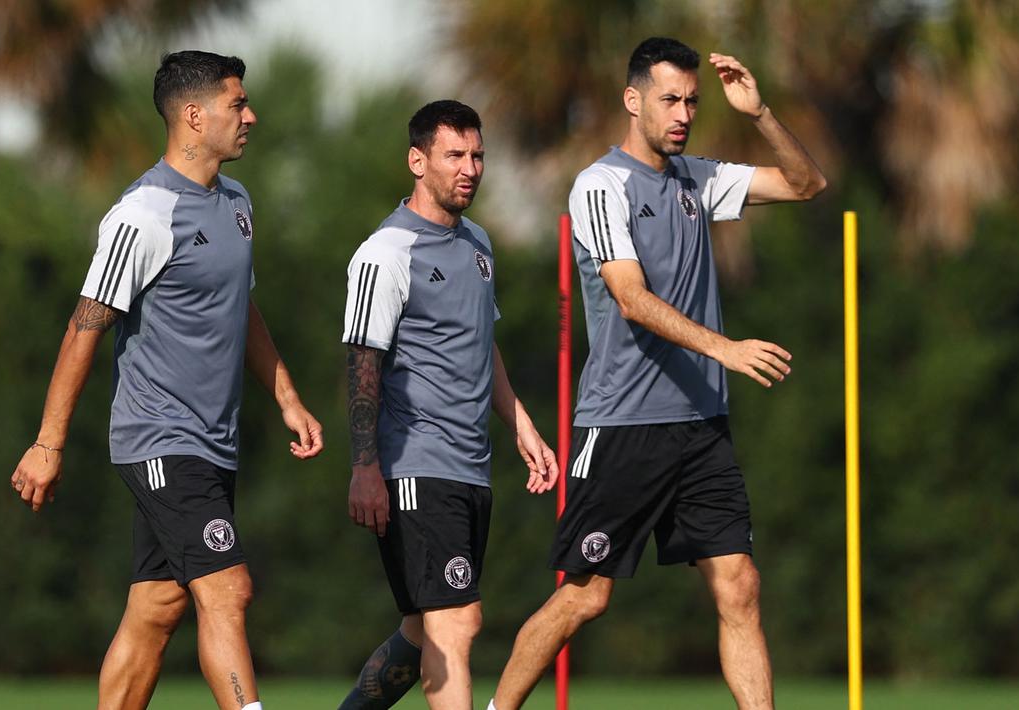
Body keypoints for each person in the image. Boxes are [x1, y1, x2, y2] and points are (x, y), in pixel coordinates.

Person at [489, 37, 827, 710]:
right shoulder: (600, 185)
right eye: (669, 100)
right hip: (623, 425)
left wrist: (759, 114)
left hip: (701, 427)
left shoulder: (696, 179)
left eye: (692, 102)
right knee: (586, 598)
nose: (682, 114)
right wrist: (724, 349)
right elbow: (630, 298)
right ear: (632, 100)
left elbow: (804, 184)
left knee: (739, 585)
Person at [8, 50, 324, 710]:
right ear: (194, 116)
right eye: (238, 104)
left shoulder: (236, 202)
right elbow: (84, 328)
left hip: (213, 443)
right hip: (159, 439)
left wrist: (287, 396)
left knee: (157, 607)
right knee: (228, 588)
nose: (250, 116)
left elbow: (241, 306)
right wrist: (48, 442)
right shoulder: (143, 213)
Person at [338, 100, 559, 710]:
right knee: (456, 622)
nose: (470, 168)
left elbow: (482, 344)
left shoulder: (479, 243)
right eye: (454, 155)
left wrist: (522, 425)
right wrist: (364, 467)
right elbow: (362, 364)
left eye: (477, 155)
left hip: (470, 467)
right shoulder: (386, 251)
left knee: (422, 629)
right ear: (418, 161)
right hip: (415, 464)